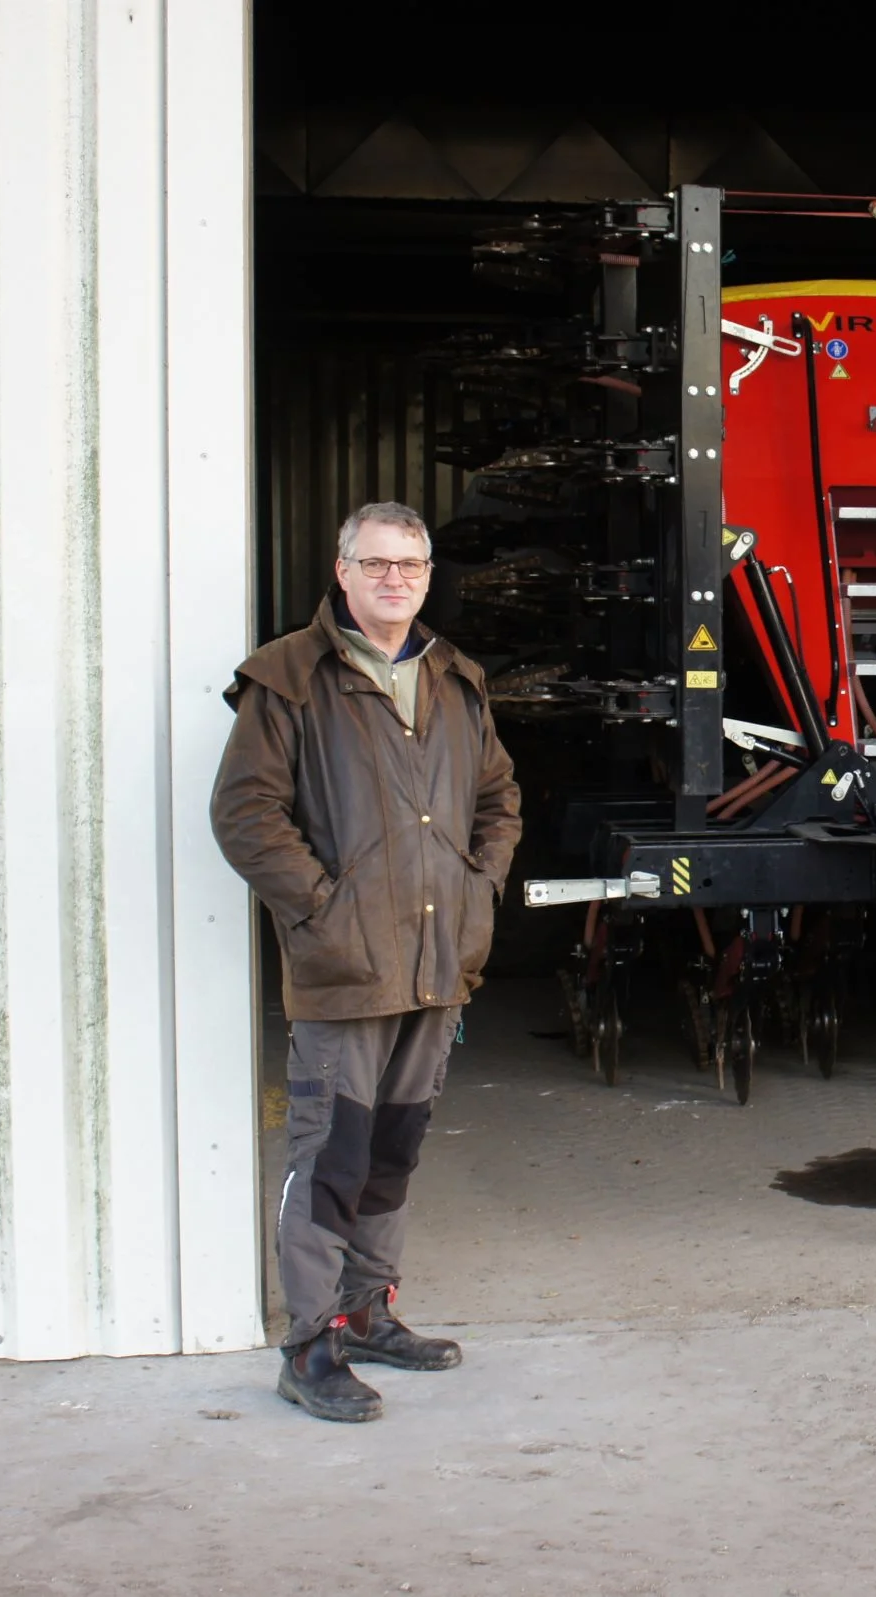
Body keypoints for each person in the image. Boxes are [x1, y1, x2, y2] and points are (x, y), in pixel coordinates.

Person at [211, 501, 522, 1422]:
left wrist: (479, 890)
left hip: (436, 956)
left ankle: (367, 1307)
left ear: (428, 575)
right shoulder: (288, 679)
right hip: (346, 969)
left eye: (412, 565)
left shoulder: (457, 680)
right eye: (377, 563)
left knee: (393, 1148)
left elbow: (499, 798)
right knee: (332, 1156)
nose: (395, 579)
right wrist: (322, 908)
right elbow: (246, 815)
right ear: (341, 570)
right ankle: (309, 1343)